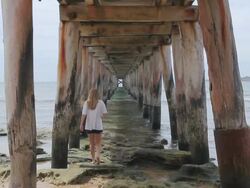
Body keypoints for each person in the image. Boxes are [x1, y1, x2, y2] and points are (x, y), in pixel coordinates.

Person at [80, 88, 107, 164]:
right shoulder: (101, 103)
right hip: (98, 126)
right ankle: (97, 156)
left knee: (91, 144)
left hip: (89, 126)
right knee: (98, 143)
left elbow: (84, 114)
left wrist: (81, 124)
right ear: (97, 94)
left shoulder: (86, 103)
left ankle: (93, 159)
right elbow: (105, 114)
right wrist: (101, 116)